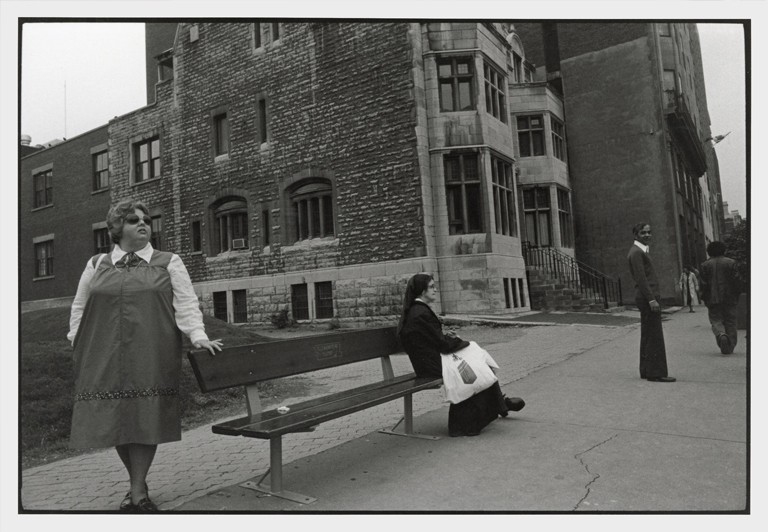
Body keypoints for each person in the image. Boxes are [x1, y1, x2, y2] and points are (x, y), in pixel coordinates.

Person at [67, 199, 223, 512]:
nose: (143, 224)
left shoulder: (168, 262)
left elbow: (187, 303)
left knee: (145, 416)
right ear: (115, 228)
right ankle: (136, 483)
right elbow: (80, 306)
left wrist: (198, 335)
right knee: (115, 417)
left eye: (146, 220)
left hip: (152, 349)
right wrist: (76, 340)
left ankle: (137, 490)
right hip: (101, 351)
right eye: (133, 220)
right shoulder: (96, 264)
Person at [397, 273, 525, 437]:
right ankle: (498, 406)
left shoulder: (418, 310)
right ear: (421, 291)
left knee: (477, 360)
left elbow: (433, 339)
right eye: (431, 287)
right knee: (476, 360)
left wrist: (450, 338)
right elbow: (441, 344)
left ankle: (500, 404)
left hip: (430, 360)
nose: (435, 290)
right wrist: (460, 342)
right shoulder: (420, 312)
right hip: (431, 365)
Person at [627, 223, 675, 382]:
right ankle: (656, 373)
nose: (647, 235)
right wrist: (652, 299)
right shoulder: (637, 253)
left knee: (648, 334)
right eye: (643, 232)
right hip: (648, 298)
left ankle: (647, 370)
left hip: (647, 297)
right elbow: (641, 279)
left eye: (649, 232)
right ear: (636, 234)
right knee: (654, 335)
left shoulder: (640, 251)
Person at [698, 241, 742, 355]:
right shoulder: (731, 263)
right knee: (731, 321)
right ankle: (730, 345)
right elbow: (737, 280)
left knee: (716, 320)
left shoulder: (705, 265)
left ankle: (721, 334)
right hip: (730, 297)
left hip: (712, 298)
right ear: (724, 250)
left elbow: (703, 284)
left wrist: (704, 297)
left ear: (709, 252)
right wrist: (737, 294)